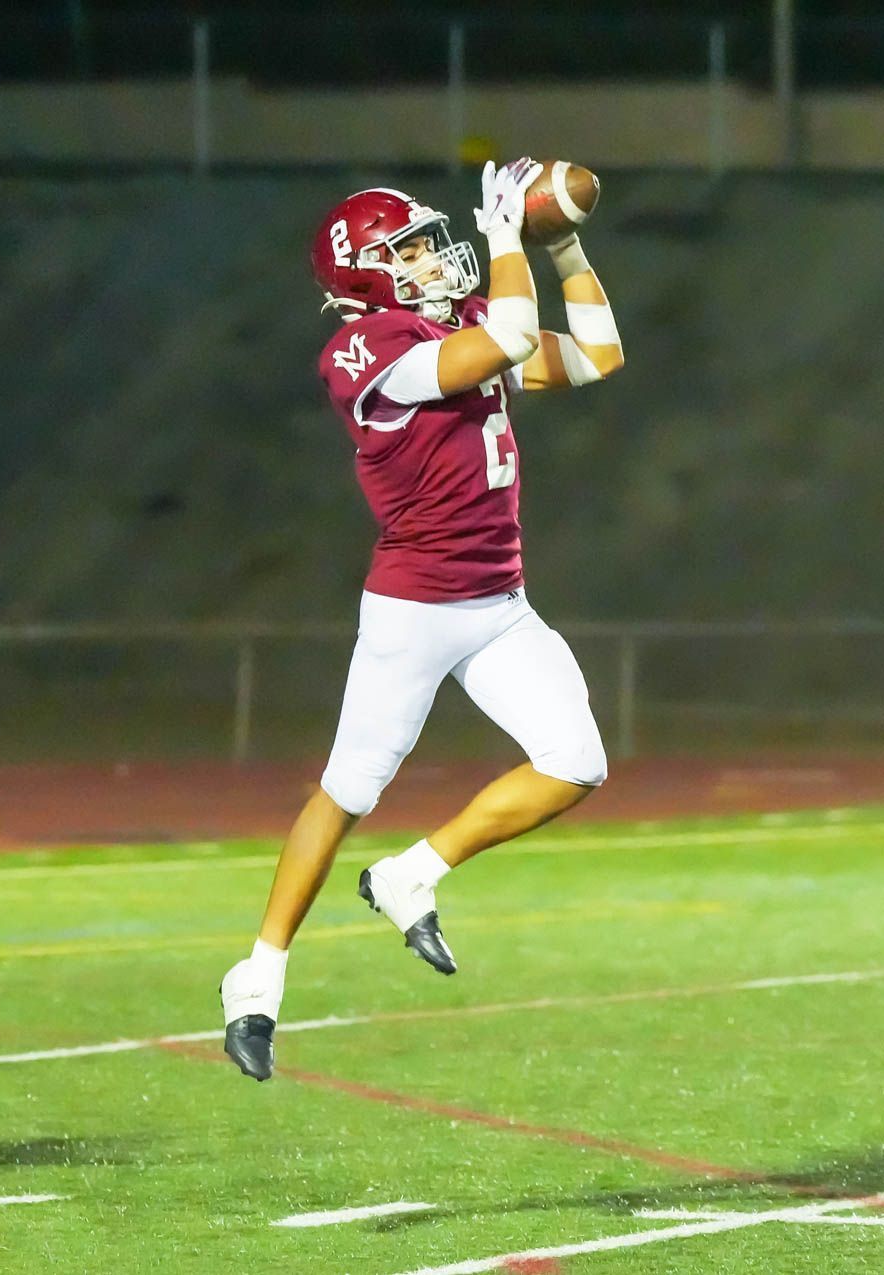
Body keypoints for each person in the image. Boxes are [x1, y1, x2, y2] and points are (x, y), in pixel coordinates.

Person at [220, 157, 624, 1081]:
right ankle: (258, 975)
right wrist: (506, 238)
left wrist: (563, 248)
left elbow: (597, 354)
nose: (434, 258)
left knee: (576, 762)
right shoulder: (364, 349)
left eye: (430, 242)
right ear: (368, 274)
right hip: (415, 607)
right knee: (347, 790)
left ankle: (413, 872)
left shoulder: (463, 319)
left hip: (501, 605)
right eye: (408, 250)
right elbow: (510, 337)